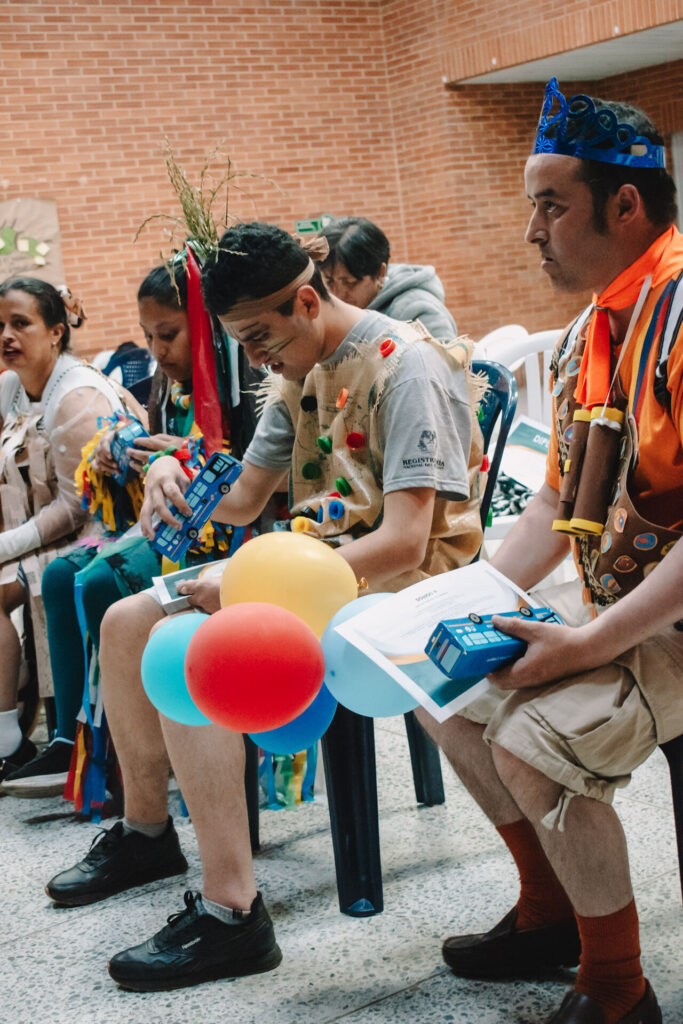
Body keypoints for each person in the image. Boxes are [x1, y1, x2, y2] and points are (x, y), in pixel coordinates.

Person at [44, 222, 485, 991]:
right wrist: (166, 473)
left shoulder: (403, 364)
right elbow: (243, 500)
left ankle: (232, 914)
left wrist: (252, 585)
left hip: (402, 587)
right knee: (125, 621)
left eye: (256, 338)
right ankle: (147, 831)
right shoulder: (298, 368)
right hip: (318, 570)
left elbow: (408, 543)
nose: (251, 360)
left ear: (307, 302)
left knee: (188, 644)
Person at [418, 79, 683, 1024]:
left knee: (533, 740)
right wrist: (445, 603)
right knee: (442, 688)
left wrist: (588, 643)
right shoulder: (592, 328)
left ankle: (616, 990)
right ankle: (550, 915)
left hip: (669, 614)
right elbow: (556, 506)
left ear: (625, 204)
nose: (531, 230)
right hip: (627, 602)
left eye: (549, 204)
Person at [1, 258, 260, 805]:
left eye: (167, 334)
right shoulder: (165, 384)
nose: (156, 351)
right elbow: (155, 457)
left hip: (203, 531)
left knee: (92, 580)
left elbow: (76, 508)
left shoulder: (241, 383)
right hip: (161, 519)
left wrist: (175, 458)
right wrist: (137, 453)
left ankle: (118, 752)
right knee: (67, 577)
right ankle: (78, 737)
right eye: (147, 336)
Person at [0, 278, 125, 783]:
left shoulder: (76, 396)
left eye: (20, 323)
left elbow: (78, 506)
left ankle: (11, 737)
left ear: (55, 332)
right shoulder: (11, 387)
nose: (6, 335)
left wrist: (6, 544)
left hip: (97, 533)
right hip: (39, 534)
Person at [318, 216, 458, 341]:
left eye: (350, 283)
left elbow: (449, 367)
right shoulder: (331, 311)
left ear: (380, 274)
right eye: (329, 281)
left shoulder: (419, 313)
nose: (338, 294)